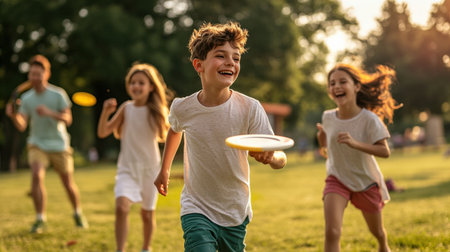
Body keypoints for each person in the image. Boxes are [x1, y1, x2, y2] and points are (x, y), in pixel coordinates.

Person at [154, 21, 288, 252]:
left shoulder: (250, 108)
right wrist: (165, 169)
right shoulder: (182, 107)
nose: (230, 63)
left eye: (236, 58)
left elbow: (280, 156)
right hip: (196, 206)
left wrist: (272, 158)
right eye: (221, 56)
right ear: (199, 65)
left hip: (234, 208)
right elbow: (175, 130)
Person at [316, 63, 401, 252]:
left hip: (365, 181)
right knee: (332, 231)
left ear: (356, 86)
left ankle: (383, 245)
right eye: (332, 83)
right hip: (337, 178)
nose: (336, 86)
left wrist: (356, 144)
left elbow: (384, 151)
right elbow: (325, 148)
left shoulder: (369, 119)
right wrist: (321, 138)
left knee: (377, 231)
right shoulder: (328, 117)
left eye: (342, 82)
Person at [5, 54, 88, 233]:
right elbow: (22, 125)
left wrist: (50, 113)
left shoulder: (58, 95)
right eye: (31, 74)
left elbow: (68, 119)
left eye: (38, 74)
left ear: (46, 74)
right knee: (36, 175)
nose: (34, 77)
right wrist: (13, 115)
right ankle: (40, 218)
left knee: (68, 183)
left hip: (59, 145)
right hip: (37, 143)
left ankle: (77, 213)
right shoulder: (26, 99)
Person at [97, 63, 172, 252]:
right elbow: (103, 132)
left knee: (147, 214)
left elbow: (169, 133)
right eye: (133, 83)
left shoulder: (156, 111)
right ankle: (120, 249)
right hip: (127, 169)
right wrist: (106, 112)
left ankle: (146, 248)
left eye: (141, 83)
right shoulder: (126, 108)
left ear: (151, 87)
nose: (136, 86)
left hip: (150, 170)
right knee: (121, 207)